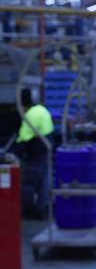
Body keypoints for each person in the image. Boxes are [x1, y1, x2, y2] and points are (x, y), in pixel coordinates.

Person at [13, 88, 54, 219]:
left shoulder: (30, 115)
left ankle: (28, 211)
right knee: (44, 182)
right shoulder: (42, 110)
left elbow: (23, 138)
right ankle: (42, 210)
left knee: (28, 183)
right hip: (46, 150)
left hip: (36, 153)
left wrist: (13, 154)